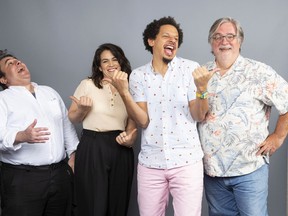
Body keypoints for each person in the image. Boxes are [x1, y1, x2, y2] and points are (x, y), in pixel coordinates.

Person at [104, 16, 215, 216]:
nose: (173, 40)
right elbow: (143, 121)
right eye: (166, 36)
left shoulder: (190, 69)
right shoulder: (138, 76)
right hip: (151, 163)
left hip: (187, 162)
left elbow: (198, 115)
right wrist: (124, 92)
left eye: (176, 38)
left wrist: (202, 89)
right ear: (151, 40)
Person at [195, 17, 288, 216]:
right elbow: (197, 115)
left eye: (230, 36)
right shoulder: (202, 74)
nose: (224, 41)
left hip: (249, 168)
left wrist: (278, 136)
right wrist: (201, 88)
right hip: (213, 171)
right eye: (217, 37)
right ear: (211, 43)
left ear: (240, 41)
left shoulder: (259, 72)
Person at [0, 49, 79, 216]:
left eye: (18, 60)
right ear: (3, 79)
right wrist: (22, 136)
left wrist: (73, 155)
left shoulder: (49, 92)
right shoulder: (3, 99)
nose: (18, 63)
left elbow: (65, 124)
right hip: (23, 180)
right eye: (10, 64)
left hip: (59, 175)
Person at [68, 43, 137, 216]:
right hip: (93, 146)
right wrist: (82, 110)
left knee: (118, 203)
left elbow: (132, 122)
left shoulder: (130, 88)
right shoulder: (88, 84)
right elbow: (72, 117)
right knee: (93, 204)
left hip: (120, 147)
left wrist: (130, 138)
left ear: (121, 62)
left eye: (114, 59)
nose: (111, 64)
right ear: (99, 66)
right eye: (105, 61)